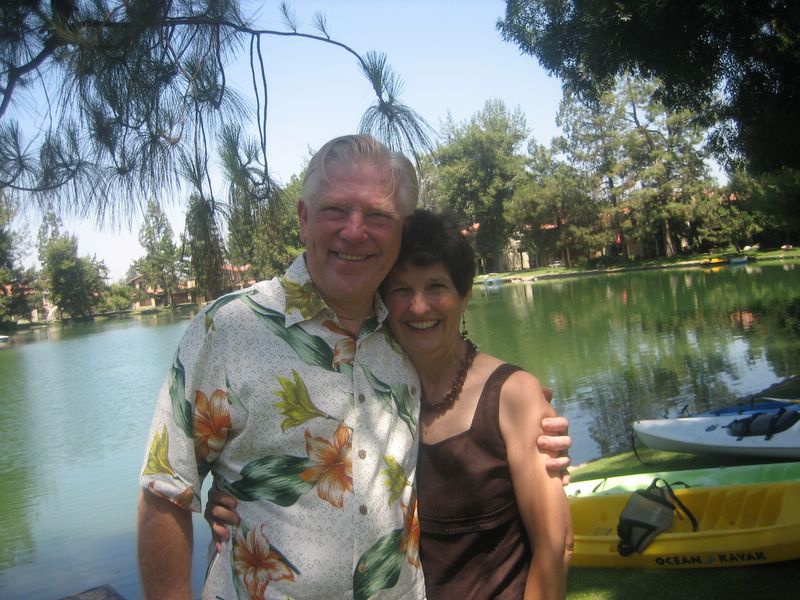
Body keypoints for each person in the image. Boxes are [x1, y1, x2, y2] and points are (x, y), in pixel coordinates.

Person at [137, 134, 571, 600]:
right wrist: (225, 497)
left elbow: (467, 397)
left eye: (378, 216)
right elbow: (166, 490)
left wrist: (529, 429)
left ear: (400, 230)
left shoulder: (402, 333)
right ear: (304, 218)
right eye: (335, 210)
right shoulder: (227, 330)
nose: (355, 231)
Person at [208, 209, 573, 599]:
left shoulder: (512, 396)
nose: (419, 306)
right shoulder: (377, 396)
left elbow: (556, 546)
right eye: (401, 290)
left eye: (436, 287)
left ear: (464, 295)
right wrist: (233, 496)